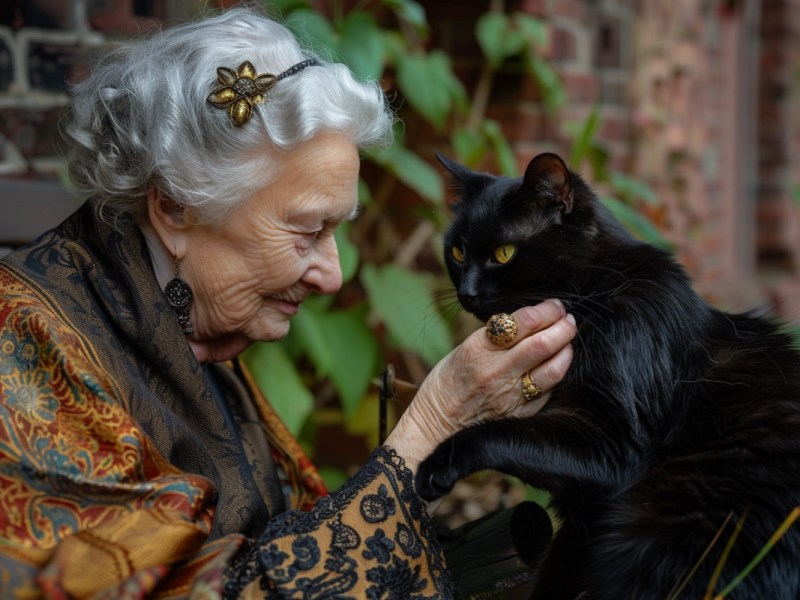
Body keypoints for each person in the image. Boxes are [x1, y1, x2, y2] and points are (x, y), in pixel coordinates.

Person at [0, 6, 576, 598]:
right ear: (174, 207)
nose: (332, 274)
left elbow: (286, 540)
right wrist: (432, 425)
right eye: (306, 232)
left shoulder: (184, 327)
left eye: (337, 231)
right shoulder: (22, 347)